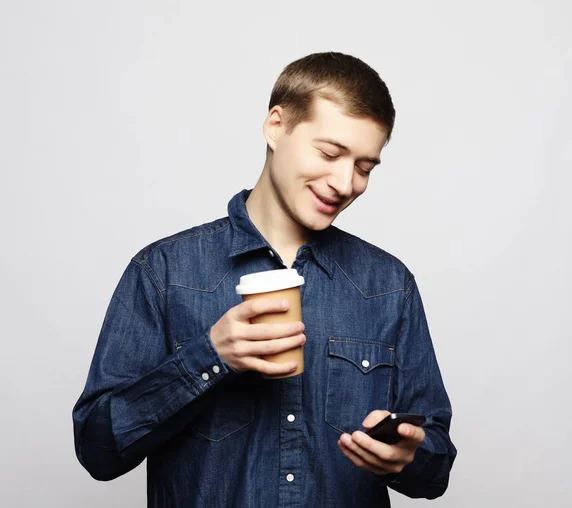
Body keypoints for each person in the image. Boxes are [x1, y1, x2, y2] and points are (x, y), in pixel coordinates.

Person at [73, 51, 457, 507]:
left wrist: (409, 456)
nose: (345, 182)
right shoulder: (164, 273)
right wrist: (209, 358)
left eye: (364, 167)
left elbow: (435, 468)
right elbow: (97, 450)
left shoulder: (389, 285)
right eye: (330, 153)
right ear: (276, 126)